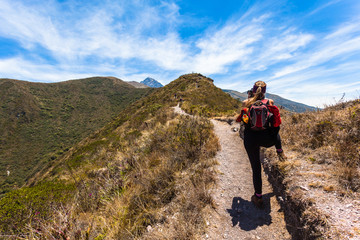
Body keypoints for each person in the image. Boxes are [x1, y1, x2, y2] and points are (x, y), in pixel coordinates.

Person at [239, 81, 287, 208]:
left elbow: (243, 122)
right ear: (264, 91)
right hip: (267, 139)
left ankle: (258, 197)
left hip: (251, 139)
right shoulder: (270, 102)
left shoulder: (246, 103)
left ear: (253, 90)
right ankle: (280, 151)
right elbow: (275, 123)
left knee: (256, 167)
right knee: (275, 129)